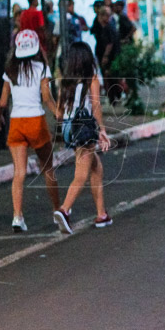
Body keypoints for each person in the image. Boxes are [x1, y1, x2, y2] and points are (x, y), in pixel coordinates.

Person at [0, 30, 60, 232]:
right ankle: (58, 211)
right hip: (36, 121)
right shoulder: (42, 68)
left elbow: (3, 101)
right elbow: (47, 98)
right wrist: (58, 113)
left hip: (16, 122)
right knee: (48, 168)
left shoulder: (10, 71)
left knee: (19, 172)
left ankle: (17, 216)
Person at [53, 42, 112, 233]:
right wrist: (101, 129)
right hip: (84, 127)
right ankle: (64, 210)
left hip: (69, 129)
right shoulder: (91, 79)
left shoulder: (66, 81)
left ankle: (101, 214)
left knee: (96, 168)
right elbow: (96, 107)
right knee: (81, 175)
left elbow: (59, 112)